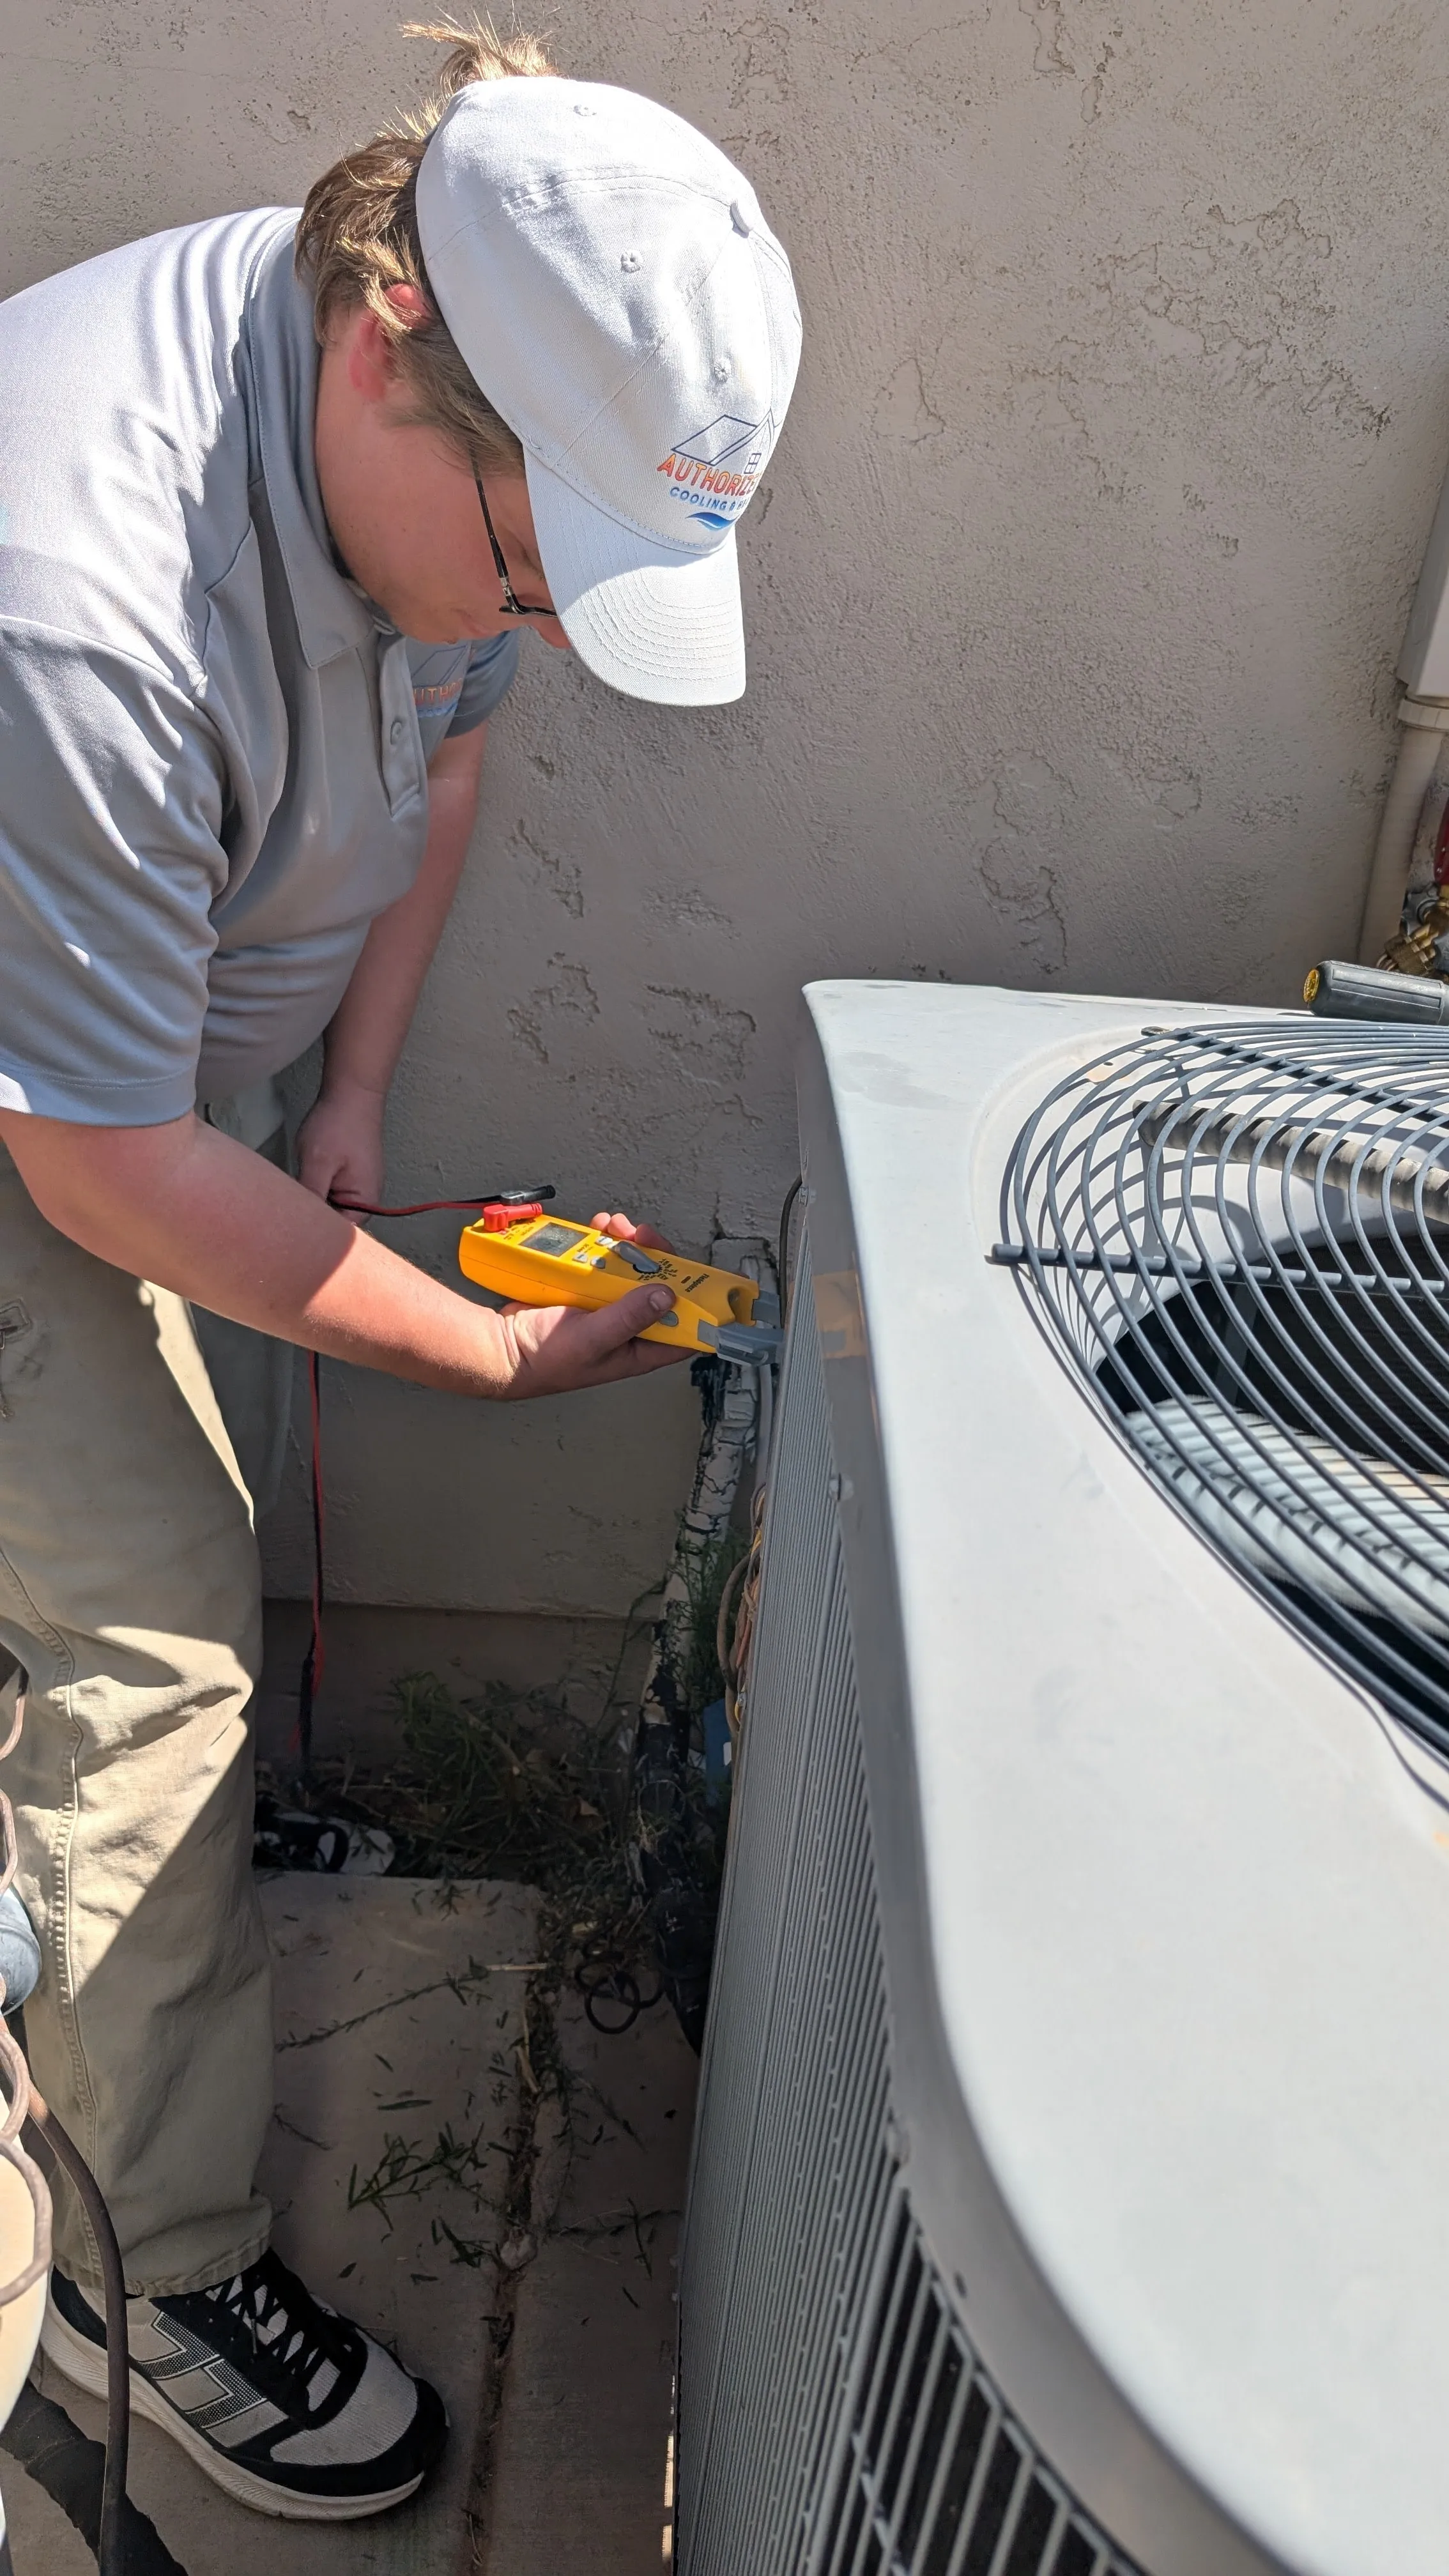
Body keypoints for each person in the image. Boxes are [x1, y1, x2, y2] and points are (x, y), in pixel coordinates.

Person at [0, 21, 800, 2520]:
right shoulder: (82, 606)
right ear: (388, 351)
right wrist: (465, 1348)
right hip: (47, 1124)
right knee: (154, 1652)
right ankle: (155, 2274)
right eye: (543, 553)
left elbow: (443, 756)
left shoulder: (416, 482)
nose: (548, 621)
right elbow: (101, 1161)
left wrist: (348, 1089)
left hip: (116, 1085)